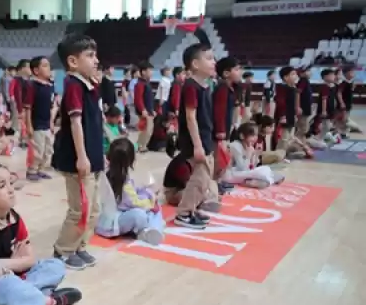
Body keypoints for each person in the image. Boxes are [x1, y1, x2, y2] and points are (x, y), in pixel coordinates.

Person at [0, 161, 82, 305]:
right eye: (1, 185)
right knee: (6, 284)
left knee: (55, 265)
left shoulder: (15, 219)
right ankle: (48, 301)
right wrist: (10, 266)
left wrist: (6, 265)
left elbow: (29, 259)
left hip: (18, 277)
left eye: (11, 183)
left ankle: (23, 304)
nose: (10, 190)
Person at [50, 34, 103, 270]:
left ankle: (80, 245)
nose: (96, 60)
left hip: (93, 157)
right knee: (79, 208)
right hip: (77, 159)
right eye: (90, 56)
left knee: (93, 208)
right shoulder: (72, 85)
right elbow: (75, 123)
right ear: (72, 61)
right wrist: (82, 157)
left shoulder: (89, 85)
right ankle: (63, 250)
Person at [174, 44, 217, 229]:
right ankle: (183, 213)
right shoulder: (191, 87)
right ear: (195, 64)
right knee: (199, 179)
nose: (213, 62)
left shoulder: (205, 86)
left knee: (205, 179)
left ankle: (192, 208)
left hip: (205, 138)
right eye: (208, 58)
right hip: (195, 141)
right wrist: (198, 146)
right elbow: (190, 117)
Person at [96, 138, 164, 245]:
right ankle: (152, 229)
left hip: (108, 218)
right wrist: (151, 200)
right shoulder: (122, 181)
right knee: (146, 212)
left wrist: (145, 193)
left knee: (146, 207)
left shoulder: (109, 172)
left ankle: (146, 230)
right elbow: (132, 203)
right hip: (113, 223)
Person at [23, 56, 55, 181]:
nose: (49, 68)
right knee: (38, 149)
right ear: (36, 70)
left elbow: (52, 106)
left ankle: (41, 169)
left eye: (49, 65)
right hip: (36, 124)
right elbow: (28, 108)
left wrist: (52, 122)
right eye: (45, 65)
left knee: (48, 150)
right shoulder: (32, 85)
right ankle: (32, 170)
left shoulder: (49, 86)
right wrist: (28, 125)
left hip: (47, 123)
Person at [224, 122, 285, 188]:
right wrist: (249, 155)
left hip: (241, 172)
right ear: (242, 136)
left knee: (266, 169)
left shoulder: (249, 147)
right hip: (230, 174)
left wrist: (255, 155)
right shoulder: (235, 146)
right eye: (252, 135)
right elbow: (242, 168)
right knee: (262, 172)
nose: (255, 138)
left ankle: (264, 181)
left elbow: (252, 167)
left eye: (256, 135)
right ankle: (268, 180)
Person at [274, 66, 313, 159]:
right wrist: (283, 116)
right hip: (284, 117)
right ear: (285, 77)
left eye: (295, 74)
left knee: (289, 136)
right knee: (283, 138)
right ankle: (278, 156)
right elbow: (281, 103)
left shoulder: (293, 88)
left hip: (291, 116)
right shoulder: (282, 88)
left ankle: (283, 153)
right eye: (293, 74)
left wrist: (296, 112)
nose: (296, 76)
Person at [134, 61, 155, 152]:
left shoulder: (146, 83)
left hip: (148, 110)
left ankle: (141, 145)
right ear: (143, 72)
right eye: (150, 70)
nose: (152, 72)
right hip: (144, 111)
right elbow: (138, 98)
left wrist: (152, 110)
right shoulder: (140, 84)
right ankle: (141, 146)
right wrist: (143, 109)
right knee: (146, 129)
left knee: (148, 129)